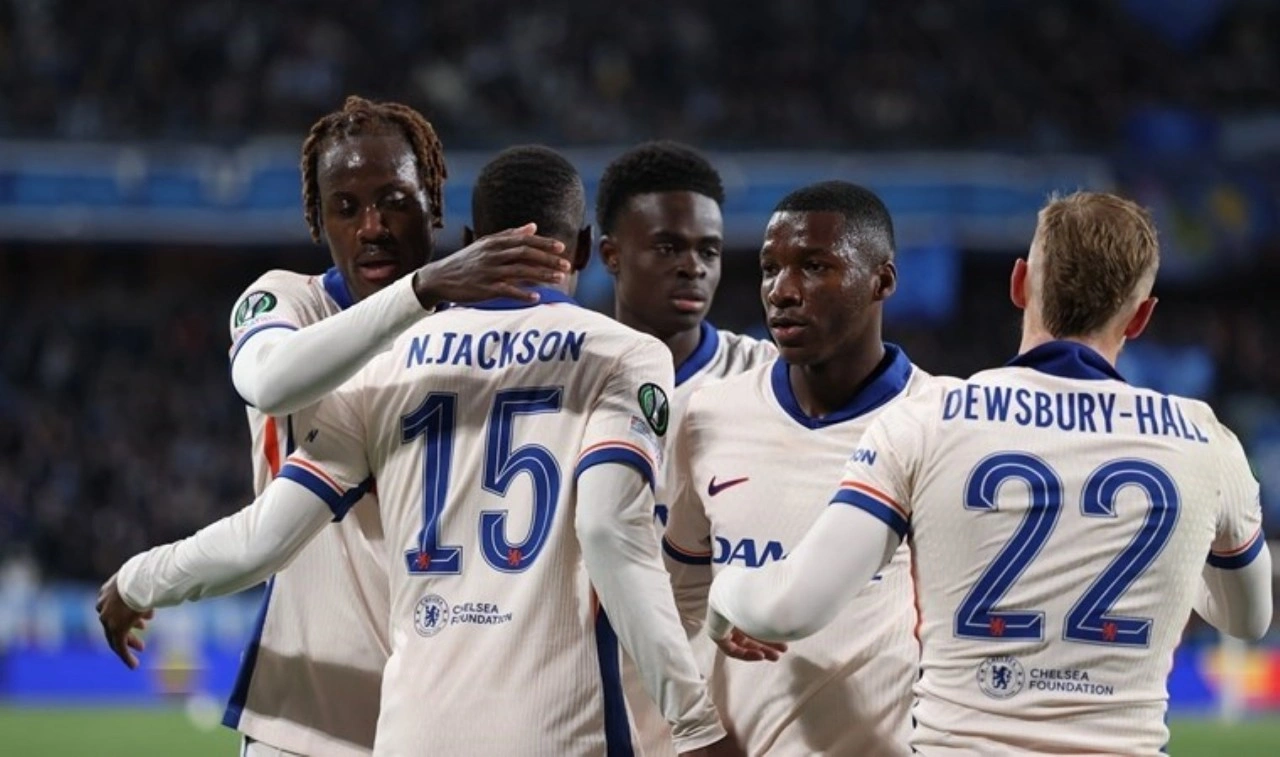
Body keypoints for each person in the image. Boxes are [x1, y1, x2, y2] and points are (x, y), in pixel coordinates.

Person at [99, 145, 739, 757]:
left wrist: (138, 578)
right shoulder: (624, 354)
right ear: (581, 248)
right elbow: (607, 531)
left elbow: (261, 541)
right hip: (560, 730)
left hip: (414, 732)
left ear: (469, 241)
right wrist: (692, 719)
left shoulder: (383, 365)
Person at [706, 192, 1274, 755]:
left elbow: (792, 608)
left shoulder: (927, 420)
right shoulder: (1205, 441)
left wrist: (724, 596)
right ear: (1141, 317)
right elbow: (1248, 618)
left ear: (1020, 283)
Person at [97, 96, 570, 757]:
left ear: (433, 205)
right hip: (303, 722)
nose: (372, 226)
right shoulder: (287, 300)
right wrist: (421, 292)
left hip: (444, 718)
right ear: (319, 222)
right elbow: (268, 379)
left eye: (394, 201)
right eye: (345, 208)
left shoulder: (483, 343)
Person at [662, 181, 923, 756]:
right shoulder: (707, 414)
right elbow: (679, 603)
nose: (781, 291)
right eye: (769, 269)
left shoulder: (936, 422)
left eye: (814, 266)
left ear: (882, 280)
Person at [597, 141, 776, 756]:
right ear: (611, 255)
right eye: (668, 247)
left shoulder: (766, 380)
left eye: (708, 251)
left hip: (723, 719)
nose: (692, 267)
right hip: (586, 709)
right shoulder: (570, 376)